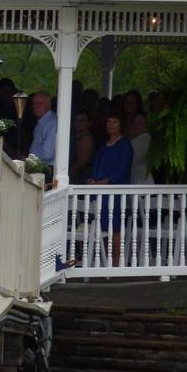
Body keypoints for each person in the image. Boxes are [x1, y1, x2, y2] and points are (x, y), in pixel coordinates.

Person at [88, 113, 133, 267]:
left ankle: (115, 264)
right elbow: (97, 166)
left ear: (121, 125)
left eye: (115, 121)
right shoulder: (104, 145)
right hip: (100, 192)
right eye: (109, 121)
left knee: (115, 228)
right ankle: (105, 261)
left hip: (115, 193)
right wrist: (93, 180)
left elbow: (122, 169)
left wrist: (104, 182)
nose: (111, 124)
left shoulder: (124, 145)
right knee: (102, 227)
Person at [29, 91, 57, 170]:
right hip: (38, 166)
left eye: (40, 103)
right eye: (34, 103)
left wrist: (29, 160)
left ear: (49, 105)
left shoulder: (52, 123)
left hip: (47, 169)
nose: (36, 106)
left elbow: (47, 154)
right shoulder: (41, 122)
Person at [69, 109, 95, 185]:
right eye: (76, 120)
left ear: (89, 123)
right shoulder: (74, 137)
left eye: (82, 120)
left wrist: (68, 174)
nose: (78, 123)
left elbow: (81, 162)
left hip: (81, 178)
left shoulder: (87, 139)